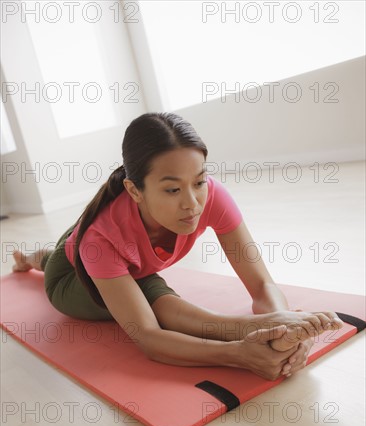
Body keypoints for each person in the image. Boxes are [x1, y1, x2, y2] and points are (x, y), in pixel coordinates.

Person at [12, 112, 343, 381]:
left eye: (198, 182)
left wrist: (280, 323)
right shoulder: (101, 239)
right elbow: (150, 338)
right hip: (71, 277)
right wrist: (239, 353)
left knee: (118, 270)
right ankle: (38, 260)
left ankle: (34, 257)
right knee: (152, 294)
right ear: (135, 190)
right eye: (172, 190)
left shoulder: (210, 196)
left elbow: (261, 283)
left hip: (88, 243)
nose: (192, 205)